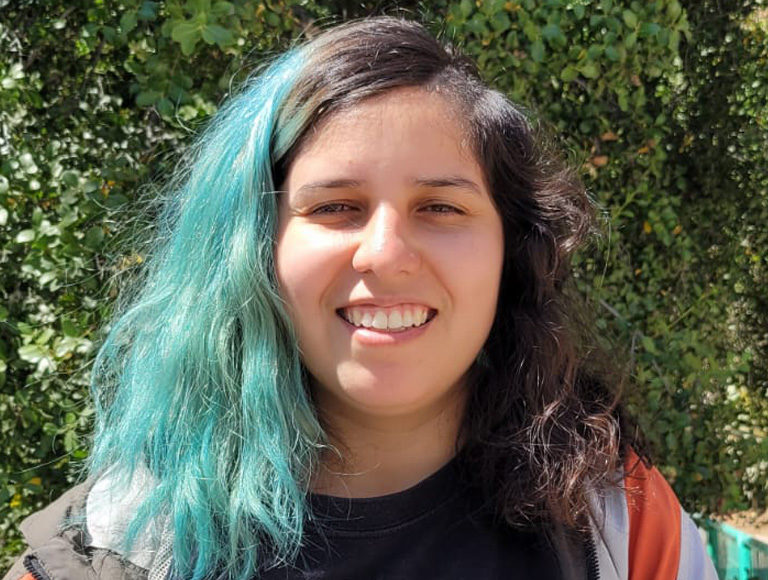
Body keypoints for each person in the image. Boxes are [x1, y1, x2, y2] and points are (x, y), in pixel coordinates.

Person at [4, 17, 716, 580]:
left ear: (514, 252)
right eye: (335, 207)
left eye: (441, 207)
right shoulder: (103, 554)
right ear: (252, 249)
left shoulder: (624, 526)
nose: (384, 253)